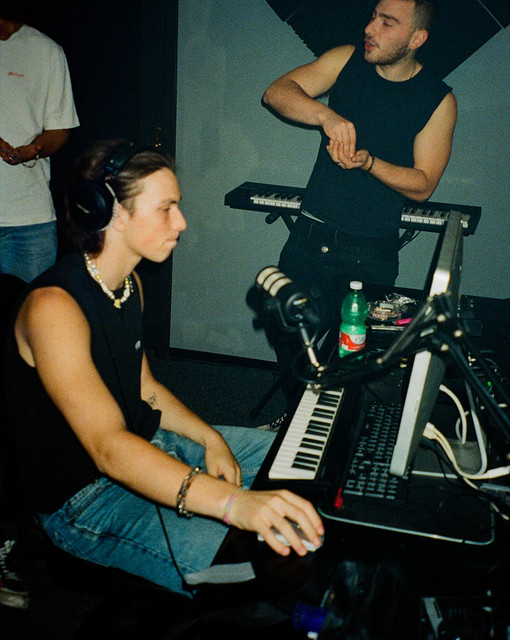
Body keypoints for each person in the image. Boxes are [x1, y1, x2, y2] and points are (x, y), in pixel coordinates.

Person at [4, 139, 324, 597]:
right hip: (85, 499)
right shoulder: (53, 308)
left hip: (148, 443)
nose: (182, 222)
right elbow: (109, 448)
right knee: (253, 563)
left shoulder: (129, 283)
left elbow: (146, 389)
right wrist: (234, 504)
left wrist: (210, 438)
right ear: (111, 213)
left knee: (306, 464)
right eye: (165, 208)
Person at [262, 0, 457, 400]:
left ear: (416, 39)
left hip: (367, 253)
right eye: (373, 16)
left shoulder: (437, 99)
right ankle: (299, 417)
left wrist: (369, 163)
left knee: (350, 361)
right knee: (287, 334)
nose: (370, 28)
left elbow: (423, 184)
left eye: (387, 22)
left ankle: (323, 429)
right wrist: (326, 116)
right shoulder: (345, 60)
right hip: (309, 237)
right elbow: (275, 93)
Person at [0, 3, 79, 282]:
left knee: (33, 308)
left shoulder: (47, 51)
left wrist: (34, 150)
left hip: (31, 223)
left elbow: (59, 129)